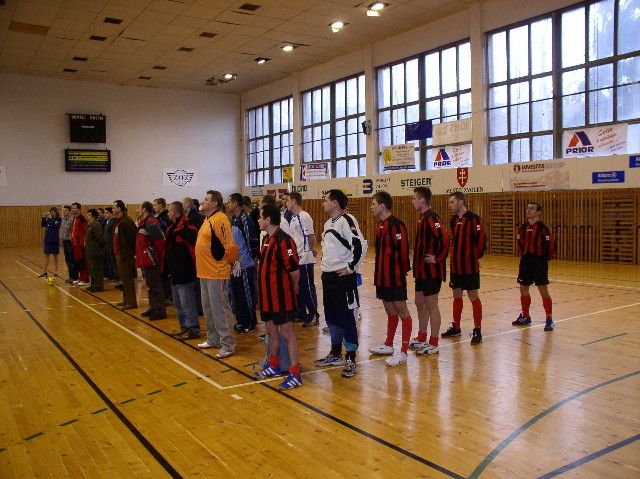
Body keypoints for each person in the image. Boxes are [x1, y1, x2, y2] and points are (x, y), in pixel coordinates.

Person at [314, 189, 364, 378]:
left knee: (346, 318)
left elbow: (360, 245)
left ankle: (351, 357)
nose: (323, 203)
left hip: (343, 279)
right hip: (328, 277)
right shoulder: (328, 223)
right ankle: (335, 353)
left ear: (334, 202)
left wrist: (350, 267)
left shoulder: (347, 220)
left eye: (325, 200)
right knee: (332, 317)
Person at [254, 204, 303, 389]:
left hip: (281, 298)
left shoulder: (284, 240)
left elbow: (294, 271)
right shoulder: (266, 238)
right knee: (271, 331)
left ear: (268, 219)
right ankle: (273, 366)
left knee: (287, 333)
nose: (258, 220)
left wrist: (292, 288)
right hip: (266, 298)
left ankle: (295, 373)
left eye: (260, 217)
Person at [367, 191, 412, 366]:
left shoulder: (396, 225)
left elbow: (403, 251)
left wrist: (401, 273)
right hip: (382, 277)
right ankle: (388, 345)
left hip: (395, 278)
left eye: (373, 204)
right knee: (390, 311)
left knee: (403, 313)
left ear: (382, 205)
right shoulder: (380, 225)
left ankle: (404, 352)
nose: (371, 207)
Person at [195, 190, 238, 358]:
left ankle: (228, 344)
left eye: (206, 199)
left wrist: (228, 263)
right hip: (204, 272)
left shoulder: (220, 219)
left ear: (214, 203)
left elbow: (230, 246)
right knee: (208, 309)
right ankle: (213, 339)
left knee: (220, 310)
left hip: (217, 272)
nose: (203, 201)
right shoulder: (207, 219)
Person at [442, 192, 486, 344]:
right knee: (456, 295)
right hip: (456, 266)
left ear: (461, 202)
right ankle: (456, 327)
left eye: (452, 202)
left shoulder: (474, 219)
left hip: (469, 266)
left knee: (473, 296)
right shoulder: (453, 220)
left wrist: (475, 257)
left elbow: (481, 241)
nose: (449, 205)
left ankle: (477, 330)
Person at [410, 187, 449, 356]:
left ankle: (434, 342)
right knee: (419, 302)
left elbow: (445, 239)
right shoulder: (422, 218)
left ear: (422, 200)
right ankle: (422, 336)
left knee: (432, 305)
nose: (412, 201)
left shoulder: (432, 218)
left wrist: (437, 258)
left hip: (431, 271)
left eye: (414, 198)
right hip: (421, 271)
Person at [513, 202, 555, 331]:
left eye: (532, 209)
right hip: (526, 261)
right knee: (523, 288)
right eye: (528, 208)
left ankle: (549, 319)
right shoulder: (523, 228)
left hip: (539, 261)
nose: (528, 210)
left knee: (543, 289)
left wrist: (543, 259)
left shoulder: (543, 228)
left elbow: (550, 246)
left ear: (538, 212)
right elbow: (520, 243)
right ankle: (526, 316)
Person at [164, 201, 200, 340]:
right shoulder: (172, 228)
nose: (168, 214)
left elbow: (194, 251)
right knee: (178, 303)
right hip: (175, 273)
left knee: (187, 303)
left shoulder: (187, 228)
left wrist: (191, 268)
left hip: (185, 273)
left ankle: (193, 329)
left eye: (169, 211)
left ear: (174, 212)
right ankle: (184, 327)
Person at [285, 192, 319, 327]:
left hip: (305, 259)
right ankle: (303, 314)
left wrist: (311, 249)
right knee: (301, 289)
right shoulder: (294, 217)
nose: (286, 203)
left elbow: (311, 236)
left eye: (288, 200)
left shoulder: (304, 216)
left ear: (294, 201)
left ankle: (314, 315)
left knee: (307, 288)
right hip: (297, 258)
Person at [228, 193, 258, 333]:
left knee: (247, 294)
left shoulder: (245, 219)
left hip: (245, 265)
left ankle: (250, 322)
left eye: (229, 202)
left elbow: (251, 241)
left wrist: (249, 260)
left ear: (235, 203)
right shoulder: (234, 219)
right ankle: (241, 320)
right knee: (238, 294)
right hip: (236, 265)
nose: (228, 205)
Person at [137, 201, 167, 320]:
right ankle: (153, 307)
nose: (137, 210)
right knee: (150, 285)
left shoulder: (151, 221)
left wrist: (156, 258)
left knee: (156, 286)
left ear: (144, 210)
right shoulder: (144, 222)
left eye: (139, 208)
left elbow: (159, 242)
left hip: (152, 260)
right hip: (146, 259)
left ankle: (160, 311)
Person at [113, 200, 137, 310]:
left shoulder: (127, 222)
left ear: (119, 209)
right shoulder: (118, 221)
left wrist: (130, 254)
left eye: (114, 207)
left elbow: (133, 240)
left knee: (128, 279)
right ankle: (126, 299)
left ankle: (131, 302)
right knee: (124, 279)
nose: (112, 209)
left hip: (125, 255)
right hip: (119, 254)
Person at [84, 209, 105, 292]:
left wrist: (96, 248)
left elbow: (101, 239)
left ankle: (98, 286)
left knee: (97, 270)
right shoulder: (90, 225)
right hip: (90, 252)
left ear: (94, 216)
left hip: (96, 252)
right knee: (91, 270)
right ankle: (93, 285)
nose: (87, 216)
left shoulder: (96, 225)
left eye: (89, 215)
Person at [39, 207, 61, 278]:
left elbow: (57, 225)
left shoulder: (58, 219)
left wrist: (52, 218)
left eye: (53, 212)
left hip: (54, 240)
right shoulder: (48, 219)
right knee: (46, 257)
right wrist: (43, 217)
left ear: (56, 212)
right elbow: (43, 225)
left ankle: (56, 271)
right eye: (51, 212)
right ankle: (44, 271)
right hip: (47, 240)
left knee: (55, 257)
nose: (52, 213)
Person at [70, 202, 89, 286]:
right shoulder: (74, 219)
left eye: (75, 208)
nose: (73, 210)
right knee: (78, 262)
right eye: (72, 208)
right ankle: (80, 278)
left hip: (80, 245)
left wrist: (84, 243)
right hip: (74, 244)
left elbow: (86, 232)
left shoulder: (82, 219)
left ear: (79, 209)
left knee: (83, 262)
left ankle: (85, 279)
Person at [59, 205, 75, 283]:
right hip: (64, 241)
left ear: (69, 211)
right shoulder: (62, 219)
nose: (64, 212)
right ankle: (70, 276)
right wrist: (61, 239)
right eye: (63, 210)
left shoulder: (72, 219)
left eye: (66, 210)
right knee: (67, 259)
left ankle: (74, 277)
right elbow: (61, 229)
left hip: (70, 241)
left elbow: (73, 231)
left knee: (71, 259)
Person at [103, 207, 118, 281]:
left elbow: (113, 235)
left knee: (113, 261)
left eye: (107, 213)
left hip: (111, 245)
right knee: (108, 261)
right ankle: (111, 275)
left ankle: (116, 276)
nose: (105, 214)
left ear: (111, 213)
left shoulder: (113, 222)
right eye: (104, 213)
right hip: (106, 245)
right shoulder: (106, 222)